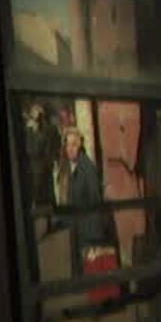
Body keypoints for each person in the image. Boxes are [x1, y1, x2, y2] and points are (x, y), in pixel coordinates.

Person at [60, 127, 120, 301]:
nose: (70, 149)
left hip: (90, 229)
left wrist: (96, 235)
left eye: (73, 145)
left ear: (80, 145)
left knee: (96, 270)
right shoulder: (75, 166)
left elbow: (95, 201)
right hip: (82, 227)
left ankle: (103, 303)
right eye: (67, 145)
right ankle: (100, 301)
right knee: (90, 272)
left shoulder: (87, 168)